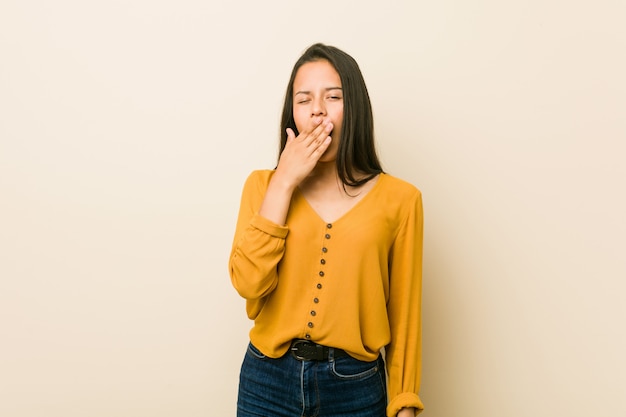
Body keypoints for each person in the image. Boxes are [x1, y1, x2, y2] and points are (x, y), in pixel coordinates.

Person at [229, 43, 424, 417]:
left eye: (333, 96)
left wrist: (403, 403)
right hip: (266, 381)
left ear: (355, 107)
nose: (317, 109)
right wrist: (284, 182)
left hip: (355, 389)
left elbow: (405, 318)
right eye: (304, 100)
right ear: (293, 114)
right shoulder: (262, 186)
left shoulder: (402, 200)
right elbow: (248, 284)